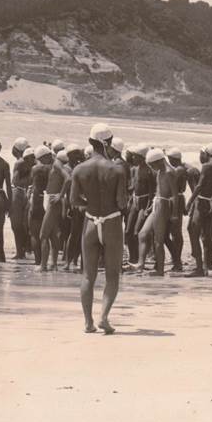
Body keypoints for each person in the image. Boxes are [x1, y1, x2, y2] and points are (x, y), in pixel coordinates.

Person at [71, 123, 129, 334]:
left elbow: (74, 200)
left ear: (90, 142)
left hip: (90, 223)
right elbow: (122, 203)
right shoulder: (116, 169)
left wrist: (91, 204)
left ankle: (88, 322)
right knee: (113, 275)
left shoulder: (79, 169)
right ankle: (104, 317)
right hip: (112, 221)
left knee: (88, 275)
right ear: (108, 143)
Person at [132, 149, 176, 275]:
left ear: (160, 161)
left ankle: (160, 270)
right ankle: (140, 264)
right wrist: (151, 207)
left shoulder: (169, 172)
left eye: (152, 165)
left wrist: (174, 214)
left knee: (158, 240)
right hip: (157, 203)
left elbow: (174, 195)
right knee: (143, 234)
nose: (151, 167)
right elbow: (158, 191)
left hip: (163, 205)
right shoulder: (160, 171)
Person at [184, 143, 212, 277]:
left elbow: (200, 186)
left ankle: (199, 268)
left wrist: (189, 202)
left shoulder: (207, 166)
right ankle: (207, 265)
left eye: (201, 153)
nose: (199, 156)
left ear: (206, 154)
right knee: (207, 235)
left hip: (202, 202)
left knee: (193, 231)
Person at [38, 145, 71, 271]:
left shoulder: (57, 164)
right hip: (52, 200)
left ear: (46, 156)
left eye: (41, 159)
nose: (41, 163)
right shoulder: (56, 164)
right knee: (52, 234)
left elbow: (68, 179)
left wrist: (60, 195)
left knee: (43, 234)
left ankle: (43, 266)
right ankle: (54, 264)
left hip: (53, 200)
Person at [126, 144, 155, 264]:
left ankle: (139, 259)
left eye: (135, 156)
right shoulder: (134, 169)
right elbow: (133, 187)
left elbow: (151, 192)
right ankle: (132, 258)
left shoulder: (150, 172)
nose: (133, 158)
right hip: (134, 202)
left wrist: (148, 208)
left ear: (142, 157)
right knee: (128, 231)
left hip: (144, 203)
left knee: (137, 232)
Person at [63, 144, 87, 271]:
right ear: (70, 155)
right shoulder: (67, 168)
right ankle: (69, 261)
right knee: (74, 235)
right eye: (76, 153)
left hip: (79, 203)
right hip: (73, 205)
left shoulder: (77, 167)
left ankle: (75, 261)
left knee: (79, 235)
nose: (78, 156)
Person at [164, 148, 187, 272]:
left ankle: (177, 260)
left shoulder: (178, 170)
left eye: (169, 159)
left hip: (176, 199)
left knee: (175, 232)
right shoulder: (181, 168)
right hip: (177, 198)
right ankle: (176, 258)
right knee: (175, 232)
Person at [9, 137, 31, 259]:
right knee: (24, 224)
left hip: (18, 193)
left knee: (16, 224)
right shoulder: (30, 160)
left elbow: (15, 181)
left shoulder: (19, 162)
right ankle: (25, 249)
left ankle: (20, 252)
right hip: (27, 193)